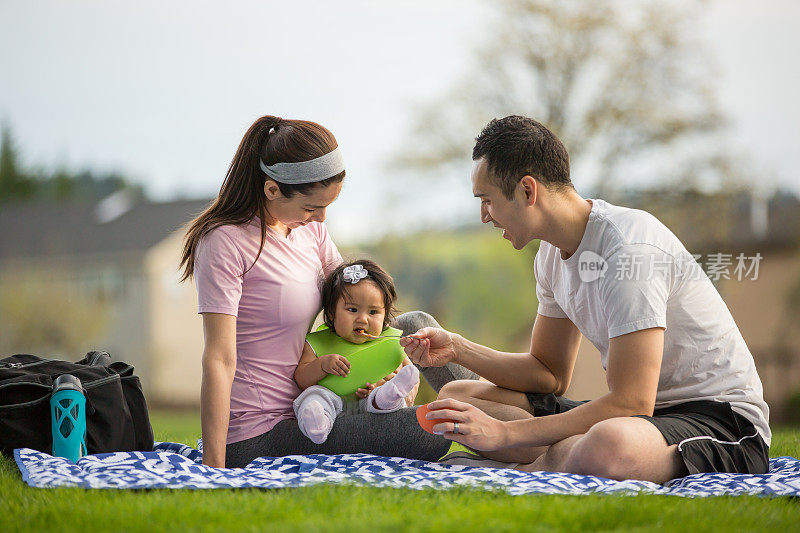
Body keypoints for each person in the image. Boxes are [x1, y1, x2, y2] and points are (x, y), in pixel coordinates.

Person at [402, 115, 771, 483]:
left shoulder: (628, 249)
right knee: (458, 397)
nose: (484, 216)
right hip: (649, 419)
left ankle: (529, 466)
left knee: (610, 443)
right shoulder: (550, 255)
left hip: (719, 420)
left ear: (528, 191)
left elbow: (631, 403)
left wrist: (506, 435)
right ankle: (561, 456)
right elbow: (548, 374)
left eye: (487, 200)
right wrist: (458, 348)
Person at [179, 115, 461, 468]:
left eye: (327, 206)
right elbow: (219, 358)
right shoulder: (225, 242)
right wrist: (214, 467)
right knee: (434, 426)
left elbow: (357, 300)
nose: (322, 219)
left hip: (328, 398)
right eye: (312, 207)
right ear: (271, 190)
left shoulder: (308, 232)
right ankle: (501, 430)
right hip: (264, 430)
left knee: (417, 326)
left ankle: (506, 422)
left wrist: (391, 363)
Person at [293, 259, 420, 444]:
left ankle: (388, 397)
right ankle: (317, 423)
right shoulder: (318, 342)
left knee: (386, 392)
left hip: (372, 407)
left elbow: (402, 373)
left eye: (373, 312)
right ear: (331, 313)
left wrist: (382, 384)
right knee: (313, 396)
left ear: (385, 315)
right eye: (352, 310)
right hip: (332, 400)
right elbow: (301, 379)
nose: (363, 319)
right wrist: (322, 365)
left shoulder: (389, 343)